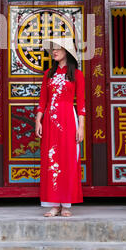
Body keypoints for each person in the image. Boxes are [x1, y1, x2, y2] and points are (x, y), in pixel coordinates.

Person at [35, 37, 85, 217]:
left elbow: (81, 103)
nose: (54, 51)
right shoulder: (48, 74)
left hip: (68, 119)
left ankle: (66, 205)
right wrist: (38, 120)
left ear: (67, 52)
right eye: (53, 49)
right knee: (51, 159)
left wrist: (81, 127)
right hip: (50, 121)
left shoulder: (76, 75)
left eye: (58, 48)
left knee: (68, 159)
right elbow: (43, 100)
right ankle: (54, 204)